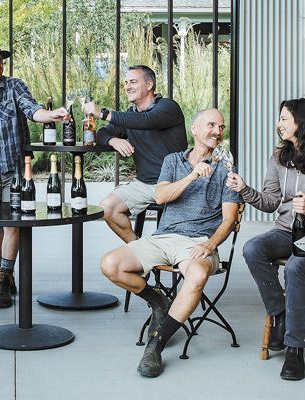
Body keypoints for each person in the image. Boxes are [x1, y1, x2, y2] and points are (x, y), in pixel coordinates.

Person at [100, 108, 241, 378]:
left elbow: (229, 220)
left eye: (221, 127)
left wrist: (210, 246)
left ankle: (156, 344)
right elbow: (162, 196)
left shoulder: (226, 169)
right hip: (163, 237)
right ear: (195, 130)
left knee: (198, 273)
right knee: (110, 264)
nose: (217, 131)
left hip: (198, 242)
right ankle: (159, 302)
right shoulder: (173, 161)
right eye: (211, 125)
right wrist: (192, 176)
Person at [227, 98, 305, 380]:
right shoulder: (279, 157)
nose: (279, 124)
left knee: (295, 267)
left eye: (284, 119)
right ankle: (279, 314)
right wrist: (245, 189)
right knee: (253, 248)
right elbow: (270, 202)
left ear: (302, 122)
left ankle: (294, 350)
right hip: (285, 230)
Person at [0, 43, 68, 308]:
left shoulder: (15, 86)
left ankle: (4, 278)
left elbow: (32, 110)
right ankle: (3, 277)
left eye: (0, 60)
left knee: (13, 224)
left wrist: (50, 115)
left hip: (18, 171)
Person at [82, 65, 187, 244]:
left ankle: (148, 254)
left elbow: (147, 121)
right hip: (144, 184)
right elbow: (100, 134)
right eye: (125, 83)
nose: (127, 86)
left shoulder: (168, 107)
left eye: (133, 81)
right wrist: (113, 140)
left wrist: (103, 113)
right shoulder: (130, 115)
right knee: (107, 207)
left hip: (174, 184)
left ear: (149, 84)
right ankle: (140, 251)